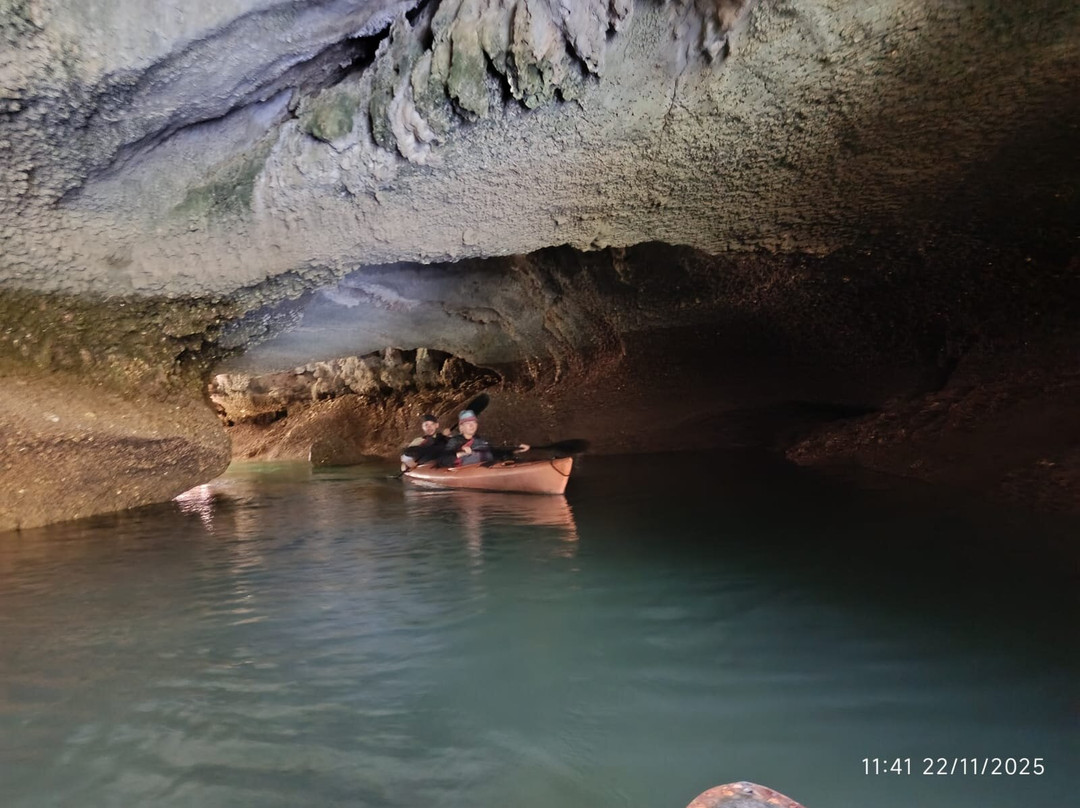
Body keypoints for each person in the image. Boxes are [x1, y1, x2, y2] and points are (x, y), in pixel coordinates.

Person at [438, 409, 529, 467]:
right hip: (468, 471)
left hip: (487, 466)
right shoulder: (455, 441)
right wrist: (460, 454)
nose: (471, 425)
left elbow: (496, 452)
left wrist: (516, 450)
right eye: (468, 423)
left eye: (474, 423)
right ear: (461, 427)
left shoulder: (481, 440)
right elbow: (443, 460)